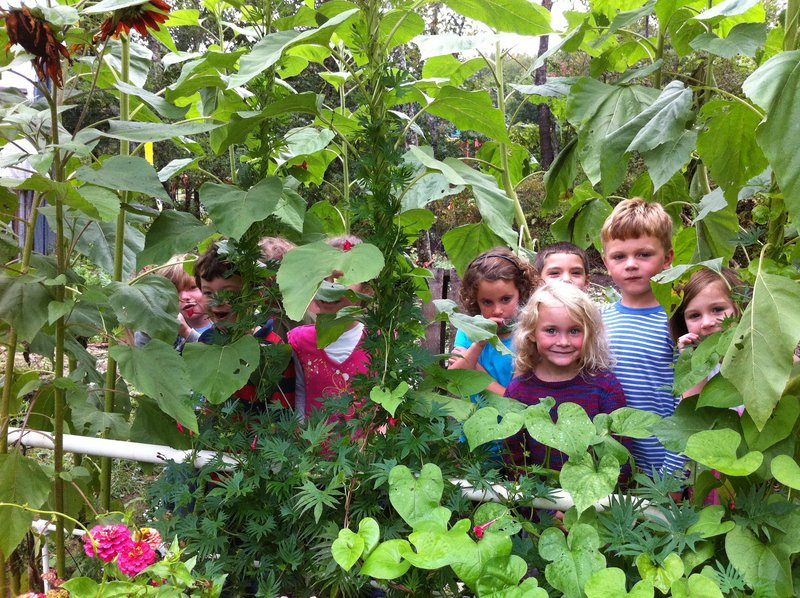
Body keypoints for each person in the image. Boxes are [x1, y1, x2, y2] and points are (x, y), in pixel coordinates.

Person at [600, 198, 684, 476]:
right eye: (619, 256)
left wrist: (673, 474)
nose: (631, 264)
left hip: (665, 465)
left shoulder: (677, 319)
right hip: (612, 464)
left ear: (668, 258)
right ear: (606, 262)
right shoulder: (597, 320)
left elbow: (687, 403)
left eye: (644, 254)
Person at [504, 282, 626, 472]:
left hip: (594, 495)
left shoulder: (604, 386)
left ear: (589, 333)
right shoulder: (519, 390)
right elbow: (512, 454)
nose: (563, 342)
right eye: (551, 330)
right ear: (532, 333)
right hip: (537, 496)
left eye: (574, 331)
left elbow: (619, 451)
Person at [194, 240, 294, 409]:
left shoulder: (271, 347)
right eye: (208, 293)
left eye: (229, 293)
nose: (217, 301)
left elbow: (283, 412)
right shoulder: (205, 342)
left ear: (256, 295)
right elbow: (205, 403)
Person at [288, 235, 371, 419]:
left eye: (340, 278)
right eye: (322, 278)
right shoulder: (299, 342)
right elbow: (298, 398)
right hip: (313, 446)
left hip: (366, 447)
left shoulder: (381, 341)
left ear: (367, 290)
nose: (329, 286)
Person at [448, 247, 537, 395]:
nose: (497, 310)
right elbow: (454, 379)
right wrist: (479, 343)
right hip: (473, 416)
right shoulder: (467, 330)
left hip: (515, 417)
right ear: (476, 301)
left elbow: (512, 400)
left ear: (520, 293)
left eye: (506, 299)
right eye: (487, 302)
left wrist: (474, 366)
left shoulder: (528, 334)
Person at [669, 267, 745, 399]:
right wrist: (690, 361)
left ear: (739, 307)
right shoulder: (705, 366)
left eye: (717, 309)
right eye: (694, 315)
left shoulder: (758, 354)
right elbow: (694, 415)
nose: (706, 322)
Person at [134, 253, 212, 352]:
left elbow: (214, 359)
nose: (184, 297)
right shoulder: (160, 328)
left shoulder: (222, 323)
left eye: (193, 287)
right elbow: (144, 361)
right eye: (175, 291)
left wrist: (186, 332)